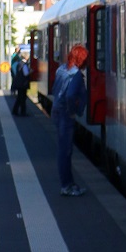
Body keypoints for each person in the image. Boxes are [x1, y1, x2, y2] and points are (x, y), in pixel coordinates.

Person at [51, 43, 88, 196]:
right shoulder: (76, 76)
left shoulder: (61, 70)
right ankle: (66, 185)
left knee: (64, 150)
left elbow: (54, 89)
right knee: (65, 151)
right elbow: (71, 95)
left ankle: (69, 183)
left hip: (57, 111)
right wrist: (74, 111)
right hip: (66, 115)